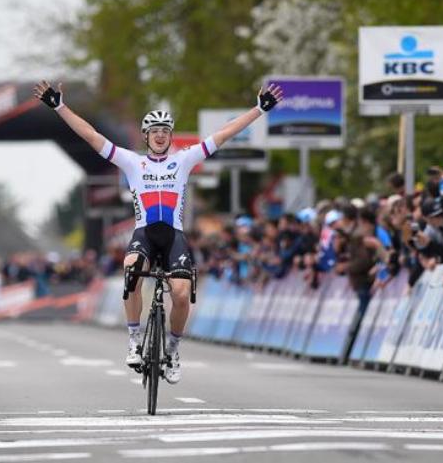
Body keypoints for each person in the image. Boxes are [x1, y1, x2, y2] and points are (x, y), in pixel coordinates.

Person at [34, 80, 283, 384]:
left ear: (170, 136)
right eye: (155, 131)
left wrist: (259, 109)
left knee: (180, 295)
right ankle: (134, 341)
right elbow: (91, 135)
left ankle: (174, 349)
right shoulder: (132, 162)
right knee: (132, 271)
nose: (161, 135)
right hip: (145, 235)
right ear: (147, 136)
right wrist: (60, 107)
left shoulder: (184, 159)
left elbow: (224, 134)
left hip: (174, 236)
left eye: (166, 131)